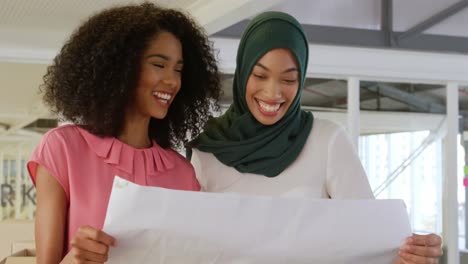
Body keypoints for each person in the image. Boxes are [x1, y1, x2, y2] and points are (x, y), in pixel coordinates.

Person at [188, 11, 442, 263]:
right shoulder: (206, 151)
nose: (272, 92)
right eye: (260, 75)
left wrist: (411, 254)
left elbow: (371, 244)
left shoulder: (326, 140)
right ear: (243, 71)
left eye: (288, 79)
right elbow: (191, 248)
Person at [27, 3, 220, 264]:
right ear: (121, 68)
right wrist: (75, 259)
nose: (172, 80)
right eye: (159, 65)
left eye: (178, 69)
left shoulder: (183, 175)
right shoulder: (62, 149)